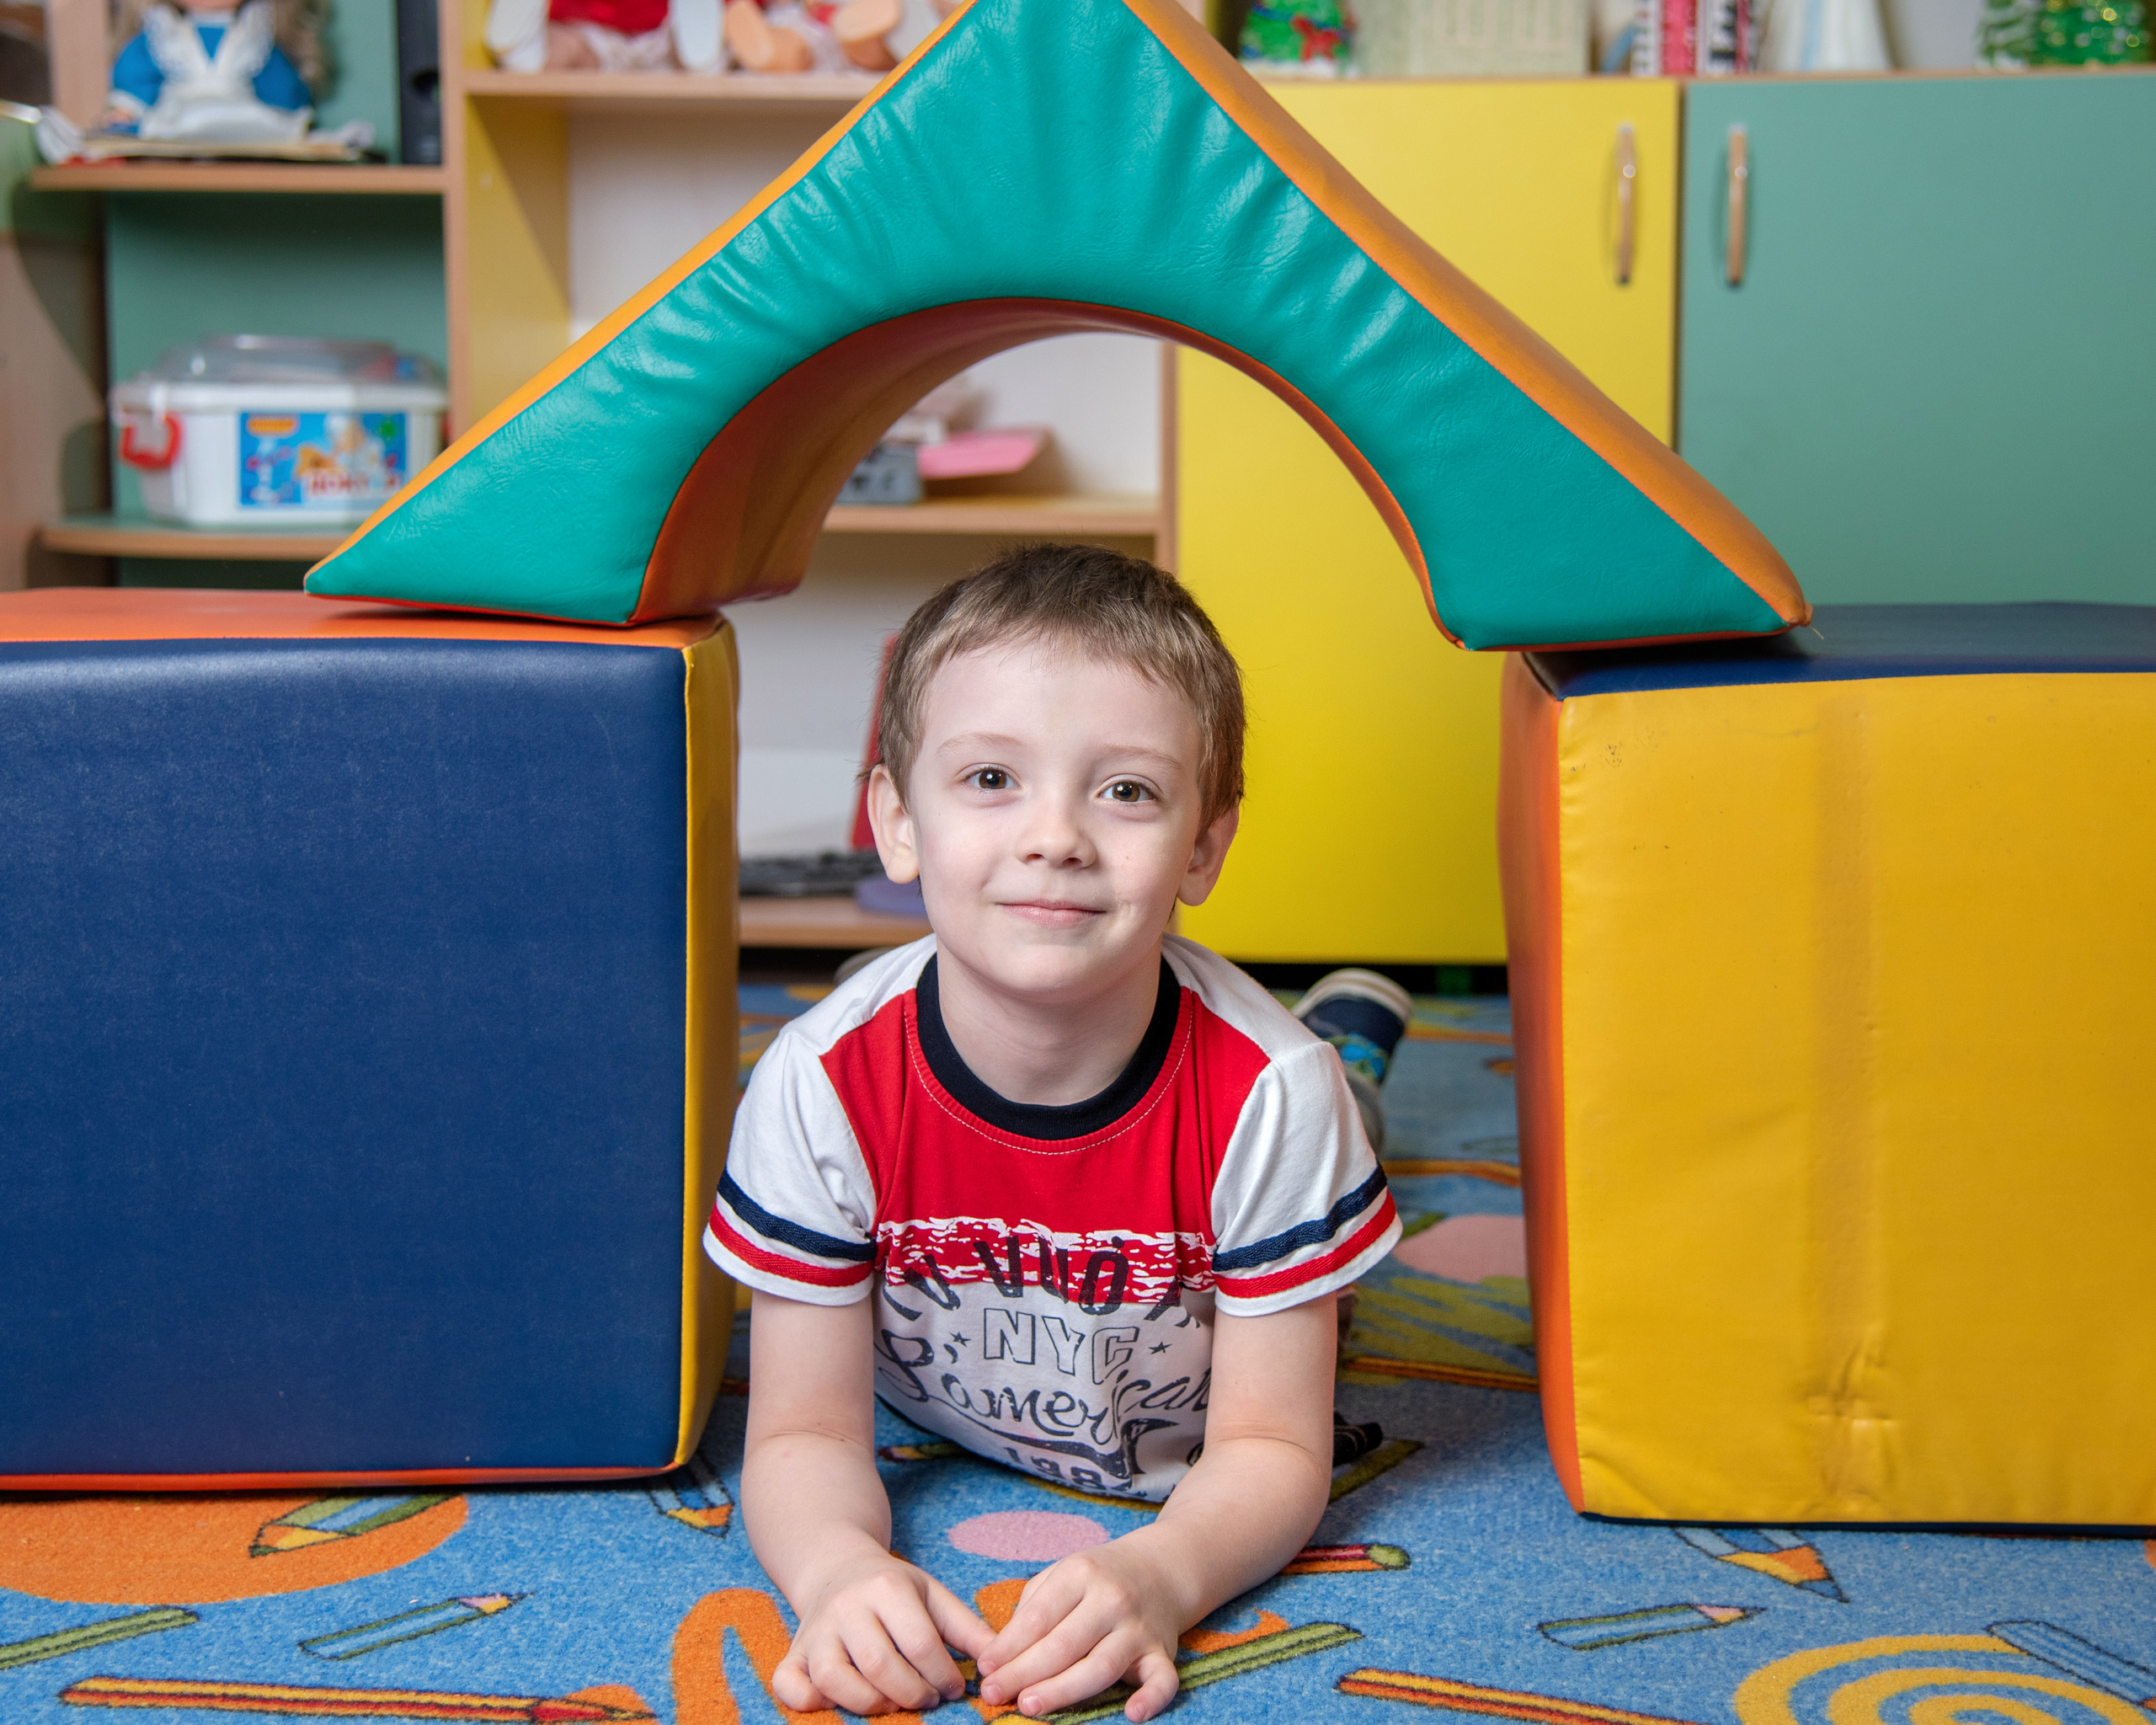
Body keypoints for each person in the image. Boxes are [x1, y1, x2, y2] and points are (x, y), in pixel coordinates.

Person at [707, 542, 1403, 1722]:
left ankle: (1356, 1040)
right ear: (897, 822)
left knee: (1343, 1104)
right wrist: (835, 1570)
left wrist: (1164, 1573)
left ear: (1203, 847)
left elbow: (1275, 1449)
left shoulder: (1275, 1096)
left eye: (1125, 791)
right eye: (992, 779)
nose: (1056, 837)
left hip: (1274, 1142)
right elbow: (804, 1430)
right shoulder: (819, 1083)